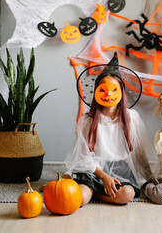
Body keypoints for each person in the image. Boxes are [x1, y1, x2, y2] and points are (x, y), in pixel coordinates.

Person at [56, 53, 155, 206]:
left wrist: (150, 179)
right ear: (96, 92)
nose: (108, 94)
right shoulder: (88, 120)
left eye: (114, 90)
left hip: (120, 171)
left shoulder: (131, 118)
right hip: (94, 169)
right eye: (103, 90)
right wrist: (103, 177)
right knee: (80, 199)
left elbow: (139, 154)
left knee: (127, 194)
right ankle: (93, 191)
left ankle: (97, 194)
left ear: (121, 92)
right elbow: (82, 156)